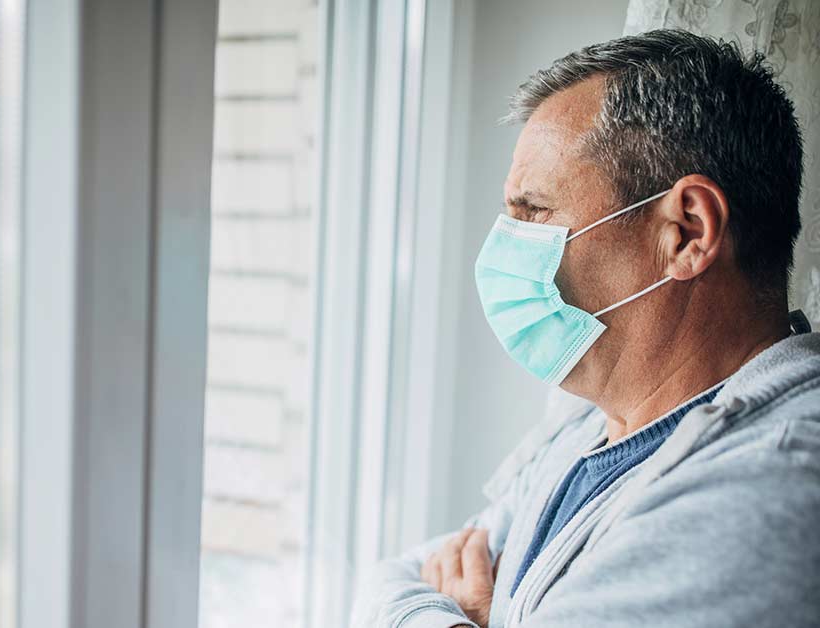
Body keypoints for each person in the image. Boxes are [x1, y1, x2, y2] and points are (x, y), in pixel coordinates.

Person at [351, 29, 820, 628]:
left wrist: (455, 616)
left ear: (687, 232)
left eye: (535, 211)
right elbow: (391, 578)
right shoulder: (587, 427)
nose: (502, 245)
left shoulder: (767, 488)